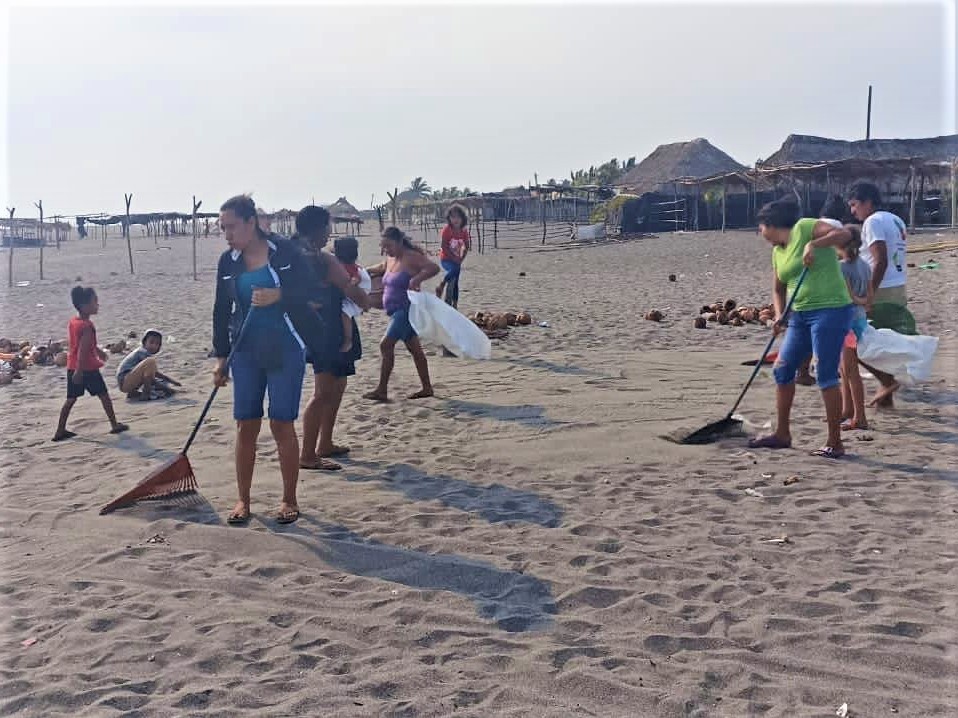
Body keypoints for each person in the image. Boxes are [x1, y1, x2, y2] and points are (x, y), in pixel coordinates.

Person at [212, 195, 324, 525]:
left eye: (232, 227)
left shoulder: (285, 252)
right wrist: (221, 358)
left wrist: (280, 295)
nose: (227, 234)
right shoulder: (227, 261)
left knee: (280, 423)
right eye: (222, 228)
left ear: (251, 222)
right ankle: (243, 500)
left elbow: (312, 292)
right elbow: (221, 310)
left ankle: (289, 499)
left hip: (285, 347)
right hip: (245, 350)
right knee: (246, 424)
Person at [747, 199, 853, 459]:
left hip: (830, 310)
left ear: (771, 224)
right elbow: (778, 288)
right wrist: (780, 315)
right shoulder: (777, 252)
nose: (760, 233)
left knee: (825, 373)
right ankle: (782, 434)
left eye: (761, 227)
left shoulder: (804, 227)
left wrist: (814, 244)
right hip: (799, 315)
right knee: (782, 369)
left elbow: (844, 234)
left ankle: (835, 442)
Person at [292, 206, 369, 472]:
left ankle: (324, 443)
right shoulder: (322, 259)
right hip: (327, 330)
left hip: (321, 326)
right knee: (323, 392)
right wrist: (366, 300)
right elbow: (349, 288)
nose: (329, 232)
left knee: (337, 384)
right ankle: (308, 454)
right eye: (327, 226)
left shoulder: (293, 255)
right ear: (317, 228)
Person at [848, 182, 909, 408]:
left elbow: (880, 260)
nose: (853, 211)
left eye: (855, 205)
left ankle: (886, 382)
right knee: (883, 342)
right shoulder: (895, 219)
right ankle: (886, 395)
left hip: (881, 289)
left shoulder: (872, 221)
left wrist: (869, 293)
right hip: (897, 286)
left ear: (868, 202)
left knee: (854, 342)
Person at [364, 227, 440, 402]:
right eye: (383, 247)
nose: (386, 250)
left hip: (405, 310)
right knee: (415, 349)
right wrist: (365, 271)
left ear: (399, 242)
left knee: (385, 345)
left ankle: (382, 390)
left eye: (389, 246)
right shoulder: (391, 259)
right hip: (394, 311)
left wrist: (417, 279)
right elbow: (381, 267)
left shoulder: (411, 256)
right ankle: (427, 388)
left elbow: (433, 268)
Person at [53, 286, 128, 441]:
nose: (97, 304)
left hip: (72, 366)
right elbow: (82, 349)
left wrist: (98, 352)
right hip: (86, 368)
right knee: (104, 395)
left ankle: (60, 430)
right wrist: (80, 370)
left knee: (71, 399)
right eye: (94, 301)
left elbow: (79, 344)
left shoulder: (74, 322)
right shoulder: (87, 326)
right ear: (84, 306)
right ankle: (114, 424)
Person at [837, 225, 872, 431]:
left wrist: (858, 301)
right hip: (859, 320)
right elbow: (869, 297)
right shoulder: (865, 265)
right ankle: (847, 410)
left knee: (850, 371)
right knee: (844, 368)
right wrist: (863, 302)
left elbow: (849, 297)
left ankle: (860, 417)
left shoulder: (842, 267)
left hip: (847, 322)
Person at [332, 236, 372, 355]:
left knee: (345, 312)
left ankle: (348, 340)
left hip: (361, 290)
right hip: (357, 292)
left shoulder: (348, 266)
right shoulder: (343, 264)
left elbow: (356, 278)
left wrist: (351, 283)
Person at [116, 330, 181, 400]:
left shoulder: (144, 354)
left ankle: (133, 393)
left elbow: (152, 374)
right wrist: (168, 389)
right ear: (144, 342)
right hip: (125, 381)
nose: (153, 346)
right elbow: (152, 377)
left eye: (157, 344)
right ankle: (146, 394)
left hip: (128, 381)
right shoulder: (142, 352)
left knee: (161, 380)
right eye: (151, 342)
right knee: (151, 362)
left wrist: (170, 381)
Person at [435, 204, 471, 308]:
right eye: (453, 217)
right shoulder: (447, 229)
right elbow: (444, 246)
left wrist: (461, 258)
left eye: (458, 217)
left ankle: (454, 304)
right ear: (449, 218)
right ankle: (442, 284)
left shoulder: (463, 231)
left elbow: (467, 246)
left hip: (457, 260)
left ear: (462, 218)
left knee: (455, 281)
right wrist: (453, 258)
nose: (456, 220)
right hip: (446, 259)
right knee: (455, 270)